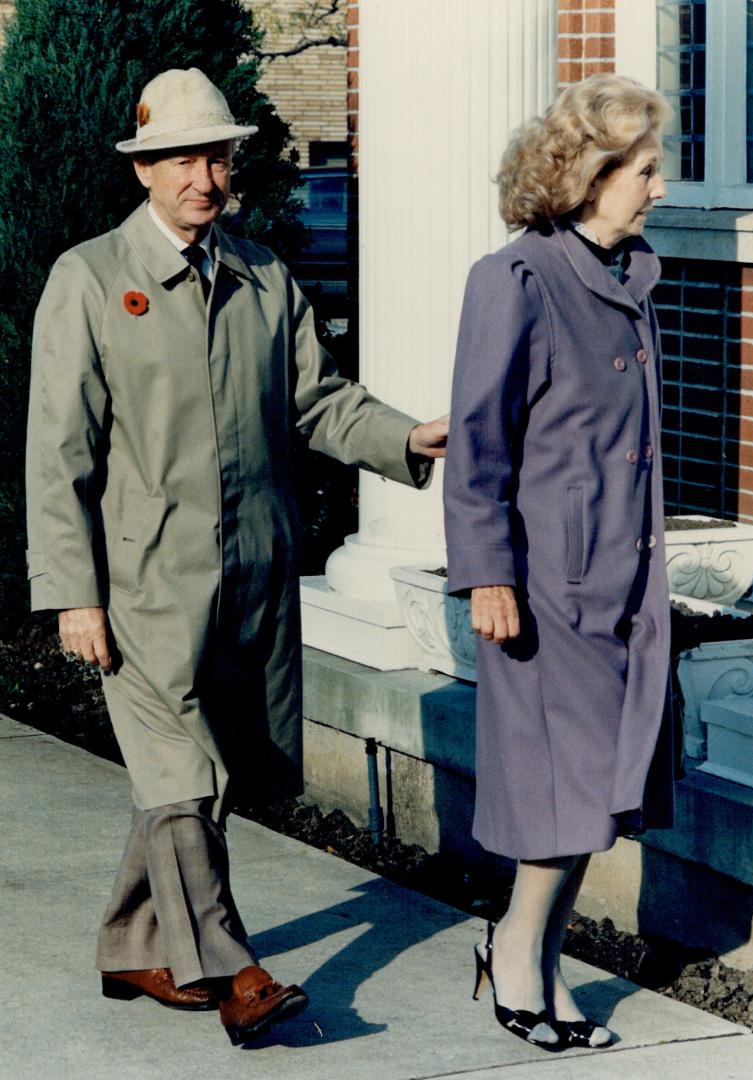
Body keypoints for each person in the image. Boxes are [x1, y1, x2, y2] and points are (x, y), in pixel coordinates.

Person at [25, 67, 447, 1047]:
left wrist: (406, 438)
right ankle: (230, 969)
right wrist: (72, 596)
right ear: (143, 171)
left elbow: (319, 403)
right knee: (181, 776)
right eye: (180, 157)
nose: (201, 176)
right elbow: (59, 457)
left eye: (215, 155)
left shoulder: (262, 278)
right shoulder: (87, 282)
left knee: (216, 774)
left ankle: (134, 947)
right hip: (142, 589)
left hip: (255, 579)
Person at [444, 74, 674, 1051]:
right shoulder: (519, 280)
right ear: (588, 174)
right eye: (644, 170)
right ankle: (518, 951)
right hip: (544, 589)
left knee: (598, 791)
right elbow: (476, 439)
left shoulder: (627, 280)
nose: (657, 187)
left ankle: (525, 951)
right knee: (570, 791)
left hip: (624, 583)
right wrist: (485, 574)